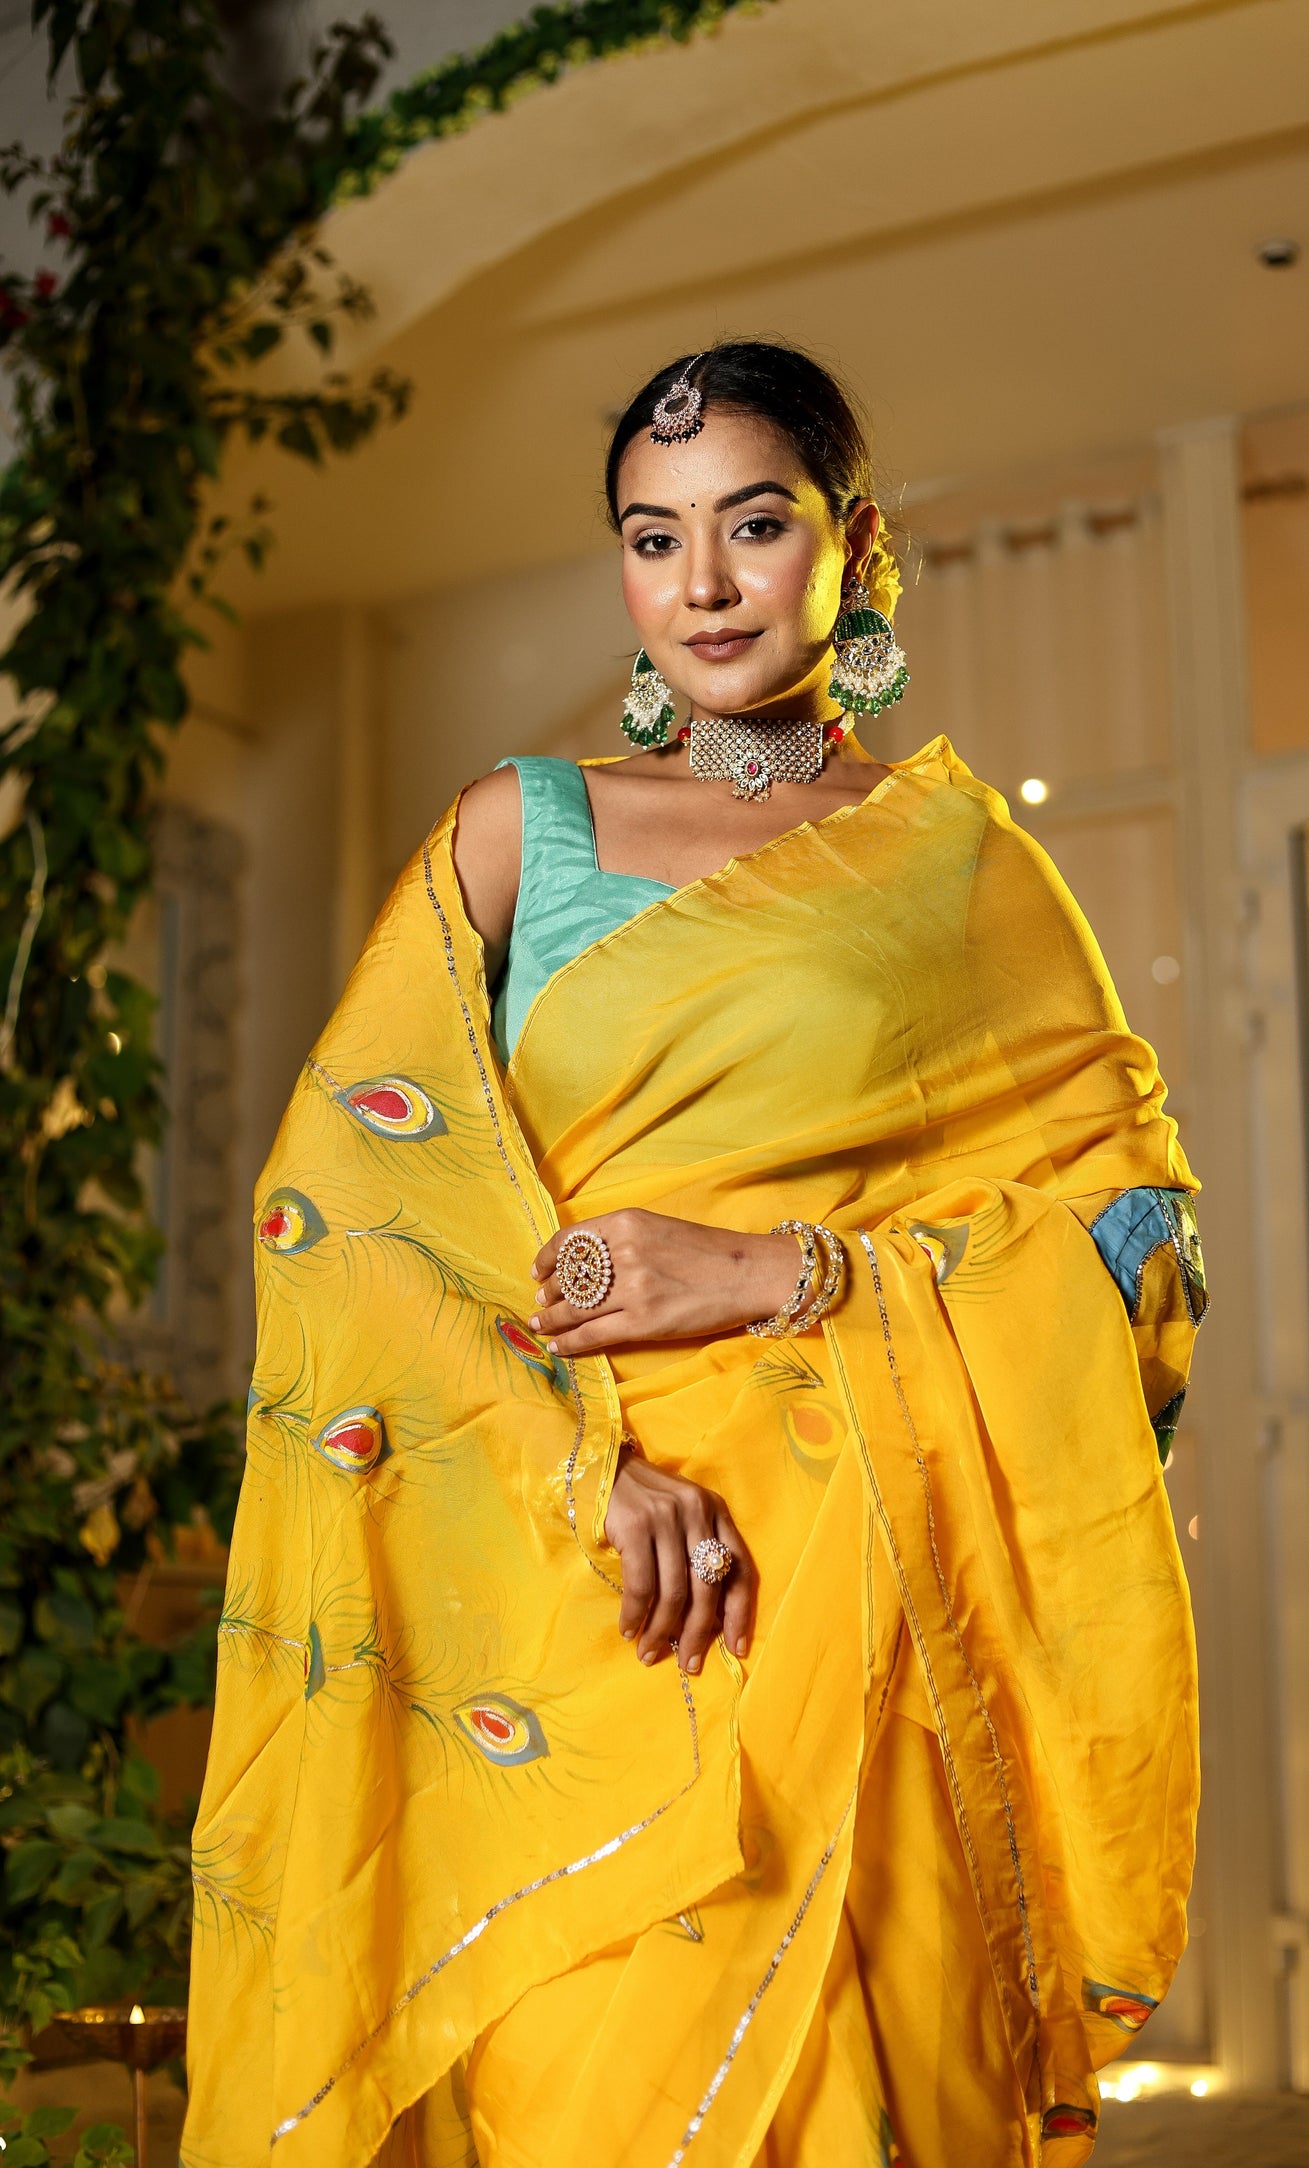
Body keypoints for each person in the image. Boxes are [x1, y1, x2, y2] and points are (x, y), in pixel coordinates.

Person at [185, 342, 1205, 2168]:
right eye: (654, 541)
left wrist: (775, 1275)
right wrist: (588, 1477)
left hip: (863, 1591)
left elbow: (1134, 1246)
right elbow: (344, 1218)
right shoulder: (514, 835)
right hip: (571, 1595)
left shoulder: (969, 872)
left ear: (851, 542)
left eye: (752, 524)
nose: (705, 584)